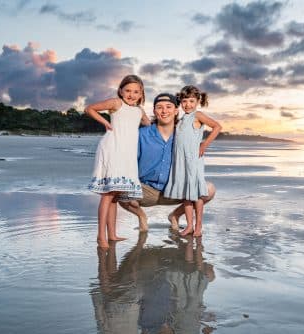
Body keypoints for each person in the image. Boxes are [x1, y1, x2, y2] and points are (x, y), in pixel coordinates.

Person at [119, 93, 216, 233]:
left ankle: (175, 215)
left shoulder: (183, 134)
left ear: (176, 110)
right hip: (146, 190)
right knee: (119, 190)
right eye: (159, 107)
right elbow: (128, 161)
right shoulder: (141, 134)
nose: (164, 111)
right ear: (154, 111)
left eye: (169, 107)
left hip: (176, 189)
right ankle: (141, 216)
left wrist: (203, 145)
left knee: (209, 189)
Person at [86, 75, 151, 248]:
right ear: (121, 90)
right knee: (108, 194)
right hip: (112, 149)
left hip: (127, 154)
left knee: (115, 196)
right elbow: (90, 109)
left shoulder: (139, 111)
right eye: (128, 90)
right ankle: (101, 237)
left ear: (141, 93)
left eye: (136, 91)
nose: (131, 94)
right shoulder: (116, 103)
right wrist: (105, 123)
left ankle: (112, 234)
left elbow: (149, 125)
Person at [164, 86, 222, 237]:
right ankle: (189, 226)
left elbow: (217, 127)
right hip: (180, 160)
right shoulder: (182, 119)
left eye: (191, 101)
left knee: (196, 194)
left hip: (192, 160)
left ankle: (198, 227)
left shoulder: (198, 115)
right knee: (186, 194)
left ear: (198, 101)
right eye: (184, 101)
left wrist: (204, 144)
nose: (188, 104)